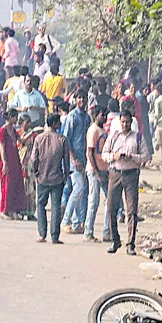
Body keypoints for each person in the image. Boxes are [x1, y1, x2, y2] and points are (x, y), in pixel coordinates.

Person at [102, 110, 150, 255]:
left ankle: (130, 244)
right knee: (111, 208)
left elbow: (146, 156)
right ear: (120, 122)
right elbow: (104, 154)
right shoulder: (114, 136)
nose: (125, 124)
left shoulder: (138, 137)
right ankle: (115, 240)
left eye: (127, 122)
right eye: (123, 122)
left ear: (131, 122)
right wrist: (114, 156)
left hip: (131, 175)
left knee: (132, 210)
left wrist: (133, 157)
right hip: (115, 173)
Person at [32, 114, 70, 244]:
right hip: (57, 178)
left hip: (42, 177)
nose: (59, 124)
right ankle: (55, 236)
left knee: (41, 205)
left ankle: (42, 234)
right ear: (54, 123)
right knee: (55, 207)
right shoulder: (62, 140)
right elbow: (66, 161)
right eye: (58, 122)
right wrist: (65, 177)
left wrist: (35, 173)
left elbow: (34, 159)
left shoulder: (39, 139)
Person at [60, 89, 91, 234]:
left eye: (84, 98)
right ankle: (66, 220)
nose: (82, 101)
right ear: (75, 100)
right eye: (79, 98)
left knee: (81, 190)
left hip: (84, 158)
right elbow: (66, 140)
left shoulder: (87, 117)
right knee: (78, 188)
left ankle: (77, 222)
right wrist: (73, 159)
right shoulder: (71, 117)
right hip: (74, 159)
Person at [84, 105, 111, 243]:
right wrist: (96, 171)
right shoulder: (93, 130)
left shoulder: (103, 130)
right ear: (96, 115)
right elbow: (90, 152)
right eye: (103, 115)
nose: (105, 118)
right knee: (93, 201)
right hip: (94, 170)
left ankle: (107, 232)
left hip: (105, 168)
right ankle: (88, 232)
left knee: (109, 201)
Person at [0, 109, 29, 220]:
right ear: (10, 117)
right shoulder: (3, 130)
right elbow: (2, 147)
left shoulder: (13, 130)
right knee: (7, 185)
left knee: (15, 184)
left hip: (15, 160)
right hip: (7, 160)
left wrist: (30, 133)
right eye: (15, 117)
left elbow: (21, 140)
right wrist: (5, 163)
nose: (16, 119)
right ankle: (5, 210)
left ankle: (13, 210)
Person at [18, 114, 43, 220]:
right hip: (19, 164)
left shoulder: (34, 135)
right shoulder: (17, 133)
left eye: (29, 122)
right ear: (21, 123)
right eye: (26, 122)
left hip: (30, 163)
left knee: (31, 189)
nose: (28, 124)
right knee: (21, 188)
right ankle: (21, 210)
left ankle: (30, 212)